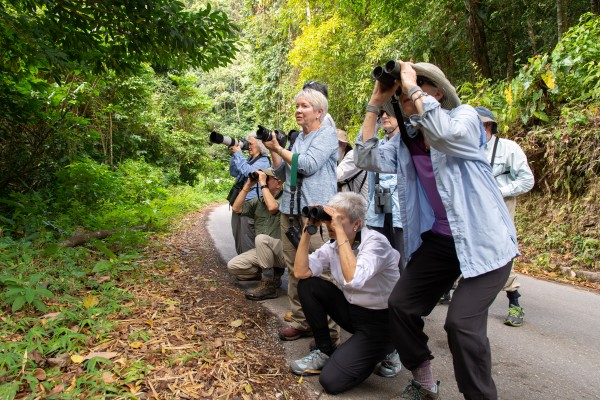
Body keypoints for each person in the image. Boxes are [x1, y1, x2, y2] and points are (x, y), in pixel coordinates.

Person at [355, 61, 519, 400]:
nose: (404, 97)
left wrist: (412, 87)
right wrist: (376, 103)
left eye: (411, 88)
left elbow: (447, 136)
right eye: (399, 94)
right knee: (400, 305)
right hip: (442, 241)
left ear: (437, 92)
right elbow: (365, 159)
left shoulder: (467, 117)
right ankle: (424, 380)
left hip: (484, 241)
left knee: (460, 325)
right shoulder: (406, 140)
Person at [289, 192, 400, 394]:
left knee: (331, 381)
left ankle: (389, 348)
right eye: (329, 219)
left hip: (381, 322)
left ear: (356, 224)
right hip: (353, 312)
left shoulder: (376, 243)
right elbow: (300, 272)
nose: (330, 225)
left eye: (337, 220)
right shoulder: (332, 246)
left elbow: (354, 278)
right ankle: (324, 350)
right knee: (308, 285)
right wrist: (307, 230)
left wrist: (339, 231)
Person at [262, 88, 341, 342]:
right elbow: (285, 174)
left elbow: (306, 165)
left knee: (321, 272)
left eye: (304, 106)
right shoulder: (299, 140)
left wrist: (280, 149)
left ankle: (328, 332)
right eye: (297, 106)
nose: (298, 110)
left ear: (319, 112)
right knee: (295, 269)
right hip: (290, 211)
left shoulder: (327, 135)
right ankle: (301, 320)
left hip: (314, 215)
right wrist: (274, 150)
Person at [477, 106, 534, 327]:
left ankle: (514, 301)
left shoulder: (509, 149)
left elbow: (527, 180)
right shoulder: (468, 149)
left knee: (502, 250)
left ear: (488, 126)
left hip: (501, 205)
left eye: (477, 126)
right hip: (475, 207)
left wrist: (500, 192)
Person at [226, 169, 286, 300]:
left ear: (278, 183)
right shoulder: (258, 201)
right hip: (264, 251)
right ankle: (271, 275)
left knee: (261, 238)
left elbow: (273, 208)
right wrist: (248, 185)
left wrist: (263, 183)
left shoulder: (286, 199)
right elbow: (236, 209)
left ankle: (269, 284)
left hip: (283, 253)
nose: (261, 180)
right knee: (233, 266)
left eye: (267, 178)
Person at [229, 133, 271, 254]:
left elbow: (249, 173)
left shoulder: (264, 161)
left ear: (260, 146)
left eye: (251, 144)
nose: (248, 146)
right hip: (239, 202)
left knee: (247, 237)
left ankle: (251, 269)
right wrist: (234, 154)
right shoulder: (248, 159)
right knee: (238, 235)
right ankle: (243, 266)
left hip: (250, 204)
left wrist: (238, 153)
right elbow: (234, 172)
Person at [336, 129, 369, 202]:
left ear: (343, 145)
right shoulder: (339, 159)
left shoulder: (353, 156)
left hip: (361, 208)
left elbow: (337, 175)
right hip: (350, 205)